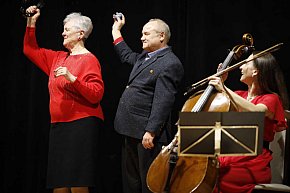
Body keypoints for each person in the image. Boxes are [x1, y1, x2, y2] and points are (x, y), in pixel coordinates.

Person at [23, 5, 104, 193]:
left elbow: (96, 94)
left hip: (81, 126)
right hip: (59, 126)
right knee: (58, 184)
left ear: (81, 33)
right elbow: (29, 49)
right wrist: (31, 22)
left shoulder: (89, 59)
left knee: (77, 182)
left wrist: (72, 78)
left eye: (67, 29)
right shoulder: (57, 58)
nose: (62, 33)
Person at [111, 13, 184, 193]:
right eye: (142, 34)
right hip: (129, 128)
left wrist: (151, 131)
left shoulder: (170, 63)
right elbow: (126, 55)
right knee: (131, 181)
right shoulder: (145, 57)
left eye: (146, 34)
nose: (142, 37)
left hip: (147, 134)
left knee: (148, 183)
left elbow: (163, 100)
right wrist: (116, 30)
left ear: (161, 36)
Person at [208, 51, 289, 193]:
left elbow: (256, 112)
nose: (240, 67)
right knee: (204, 172)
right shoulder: (239, 95)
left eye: (245, 63)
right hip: (230, 155)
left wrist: (224, 88)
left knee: (222, 177)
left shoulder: (271, 98)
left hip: (253, 160)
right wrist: (221, 83)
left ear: (256, 71)